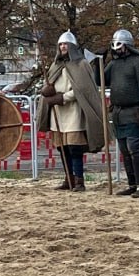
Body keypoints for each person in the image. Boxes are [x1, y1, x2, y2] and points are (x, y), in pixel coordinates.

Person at [38, 31, 105, 192]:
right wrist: (47, 90)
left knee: (75, 147)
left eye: (65, 44)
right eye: (60, 44)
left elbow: (82, 90)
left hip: (74, 112)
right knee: (62, 147)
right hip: (58, 114)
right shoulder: (55, 65)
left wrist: (62, 98)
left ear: (72, 46)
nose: (62, 47)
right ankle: (68, 179)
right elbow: (50, 83)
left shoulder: (81, 64)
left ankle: (79, 180)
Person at [104, 28, 139, 197]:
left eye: (119, 45)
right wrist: (99, 61)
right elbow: (100, 80)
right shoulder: (114, 64)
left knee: (135, 147)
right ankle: (132, 184)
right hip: (119, 112)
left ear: (126, 45)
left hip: (134, 110)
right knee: (125, 149)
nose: (116, 49)